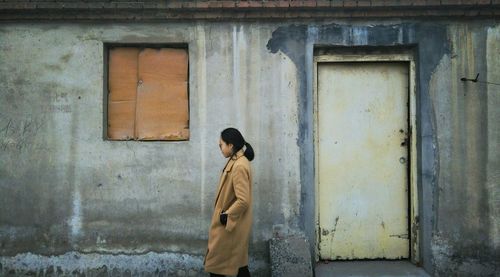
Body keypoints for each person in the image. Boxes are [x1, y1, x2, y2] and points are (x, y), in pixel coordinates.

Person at [204, 128, 255, 277]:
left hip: (229, 225)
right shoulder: (237, 161)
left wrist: (227, 215)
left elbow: (243, 200)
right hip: (231, 225)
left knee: (217, 266)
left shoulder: (239, 165)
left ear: (230, 145)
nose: (220, 148)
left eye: (221, 145)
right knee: (238, 267)